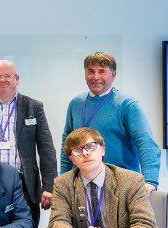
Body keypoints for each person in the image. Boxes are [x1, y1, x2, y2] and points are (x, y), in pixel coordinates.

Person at [0, 59, 57, 228]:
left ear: (16, 79)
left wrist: (49, 186)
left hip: (24, 183)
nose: (3, 80)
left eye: (8, 76)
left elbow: (46, 148)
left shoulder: (33, 107)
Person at [60, 52, 160, 195]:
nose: (95, 77)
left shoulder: (127, 105)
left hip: (121, 185)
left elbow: (145, 143)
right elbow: (67, 144)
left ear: (113, 75)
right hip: (82, 184)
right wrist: (63, 178)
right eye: (90, 71)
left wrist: (150, 181)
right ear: (85, 74)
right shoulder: (76, 104)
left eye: (102, 71)